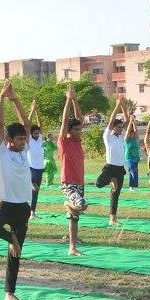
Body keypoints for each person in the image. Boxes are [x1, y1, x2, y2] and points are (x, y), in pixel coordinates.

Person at [0, 82, 33, 300]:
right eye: (19, 139)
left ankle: (9, 292)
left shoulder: (26, 151)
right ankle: (11, 238)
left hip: (23, 207)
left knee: (15, 254)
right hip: (5, 204)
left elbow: (26, 123)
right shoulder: (1, 153)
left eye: (24, 139)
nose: (23, 142)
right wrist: (1, 100)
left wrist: (15, 99)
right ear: (8, 141)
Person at [57, 84, 86, 256]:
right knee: (80, 205)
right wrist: (68, 100)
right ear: (69, 130)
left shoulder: (78, 143)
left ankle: (72, 247)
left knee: (75, 217)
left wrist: (75, 99)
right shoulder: (64, 143)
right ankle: (67, 202)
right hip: (68, 184)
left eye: (79, 129)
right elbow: (63, 122)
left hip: (80, 183)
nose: (78, 131)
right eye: (75, 129)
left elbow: (79, 117)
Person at [96, 95, 129, 225]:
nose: (121, 129)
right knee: (98, 183)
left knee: (115, 194)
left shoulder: (121, 137)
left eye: (122, 128)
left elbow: (126, 121)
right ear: (113, 127)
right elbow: (110, 121)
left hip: (120, 169)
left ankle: (112, 219)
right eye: (118, 127)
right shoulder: (108, 136)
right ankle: (111, 179)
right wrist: (116, 106)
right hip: (110, 168)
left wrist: (123, 106)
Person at [26, 100, 46, 218]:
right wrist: (32, 110)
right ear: (31, 133)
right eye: (35, 133)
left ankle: (32, 212)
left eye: (38, 133)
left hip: (40, 168)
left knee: (36, 191)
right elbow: (27, 124)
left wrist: (37, 110)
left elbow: (40, 123)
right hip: (31, 167)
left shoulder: (39, 139)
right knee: (34, 187)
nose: (37, 135)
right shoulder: (28, 139)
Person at [125, 117, 141, 191]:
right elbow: (128, 131)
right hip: (129, 158)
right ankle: (131, 186)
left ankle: (132, 186)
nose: (133, 135)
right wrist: (130, 121)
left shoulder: (136, 139)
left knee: (135, 171)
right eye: (131, 134)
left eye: (133, 134)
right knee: (132, 170)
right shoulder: (127, 140)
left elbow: (136, 131)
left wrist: (133, 122)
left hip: (136, 158)